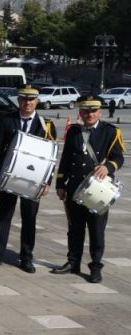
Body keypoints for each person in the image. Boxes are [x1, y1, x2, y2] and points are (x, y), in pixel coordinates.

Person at [52, 95, 125, 283]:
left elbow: (118, 158)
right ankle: (73, 262)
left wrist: (107, 167)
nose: (89, 114)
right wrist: (60, 184)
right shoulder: (74, 132)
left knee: (96, 230)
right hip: (75, 187)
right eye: (85, 111)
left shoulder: (110, 132)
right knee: (74, 228)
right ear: (80, 112)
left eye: (93, 111)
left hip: (98, 190)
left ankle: (95, 267)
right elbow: (66, 159)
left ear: (100, 111)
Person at [0, 85, 56, 273]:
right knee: (4, 217)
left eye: (31, 99)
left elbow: (51, 156)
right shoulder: (7, 120)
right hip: (10, 177)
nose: (28, 102)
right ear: (18, 101)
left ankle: (26, 257)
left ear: (37, 101)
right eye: (24, 99)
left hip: (33, 180)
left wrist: (47, 181)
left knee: (29, 219)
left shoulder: (45, 124)